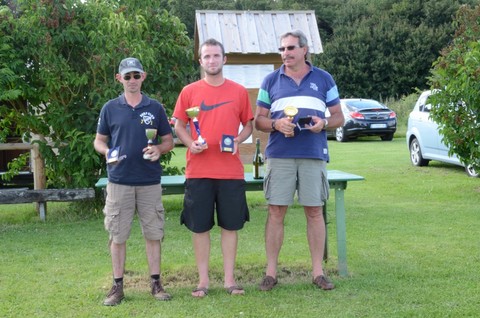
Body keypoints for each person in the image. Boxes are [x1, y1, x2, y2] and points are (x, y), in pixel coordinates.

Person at [254, 30, 345, 291]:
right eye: (282, 49)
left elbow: (339, 116)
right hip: (279, 154)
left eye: (290, 48)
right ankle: (271, 272)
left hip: (313, 153)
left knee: (314, 211)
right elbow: (258, 120)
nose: (285, 54)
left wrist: (324, 123)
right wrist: (275, 123)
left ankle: (318, 272)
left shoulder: (324, 79)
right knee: (275, 211)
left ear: (304, 49)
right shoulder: (271, 80)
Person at [173, 38, 253, 298]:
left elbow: (249, 125)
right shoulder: (189, 91)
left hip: (230, 171)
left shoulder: (239, 91)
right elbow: (179, 126)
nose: (212, 60)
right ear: (200, 61)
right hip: (198, 171)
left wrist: (238, 140)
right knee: (200, 227)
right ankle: (203, 281)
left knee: (230, 227)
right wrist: (189, 143)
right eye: (207, 56)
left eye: (216, 56)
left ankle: (230, 280)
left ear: (224, 59)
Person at [94, 57, 174, 306]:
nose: (132, 80)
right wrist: (107, 152)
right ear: (119, 79)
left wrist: (159, 150)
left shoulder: (155, 107)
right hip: (119, 181)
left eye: (136, 75)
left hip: (149, 180)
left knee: (153, 233)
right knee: (117, 235)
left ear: (143, 76)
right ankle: (117, 287)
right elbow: (98, 141)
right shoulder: (110, 108)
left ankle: (156, 284)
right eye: (127, 76)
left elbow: (169, 141)